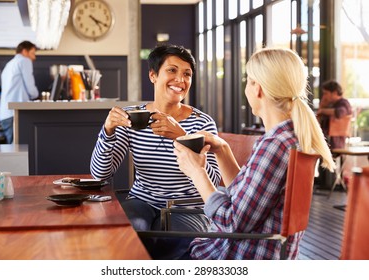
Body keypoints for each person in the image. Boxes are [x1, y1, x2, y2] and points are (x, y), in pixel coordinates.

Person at [173, 47, 335, 259]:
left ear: (257, 88)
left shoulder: (275, 146)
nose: (246, 89)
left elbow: (231, 222)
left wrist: (197, 172)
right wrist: (222, 150)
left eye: (248, 81)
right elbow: (246, 200)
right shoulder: (291, 138)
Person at [90, 44, 221, 259]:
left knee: (170, 244)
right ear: (153, 75)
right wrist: (108, 131)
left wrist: (183, 137)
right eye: (172, 70)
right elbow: (100, 176)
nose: (181, 79)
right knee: (126, 236)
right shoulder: (132, 118)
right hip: (142, 201)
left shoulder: (203, 122)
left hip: (188, 208)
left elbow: (214, 182)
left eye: (187, 74)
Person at [0, 41, 39, 144]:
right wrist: (37, 95)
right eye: (33, 53)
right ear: (25, 51)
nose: (34, 57)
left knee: (12, 150)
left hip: (5, 114)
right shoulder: (24, 61)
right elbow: (32, 90)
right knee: (16, 153)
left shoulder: (9, 64)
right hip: (14, 114)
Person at [317, 80, 352, 149]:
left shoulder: (344, 103)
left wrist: (322, 110)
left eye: (326, 93)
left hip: (334, 142)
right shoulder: (331, 105)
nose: (324, 96)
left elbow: (340, 113)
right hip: (326, 140)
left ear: (334, 93)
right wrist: (322, 106)